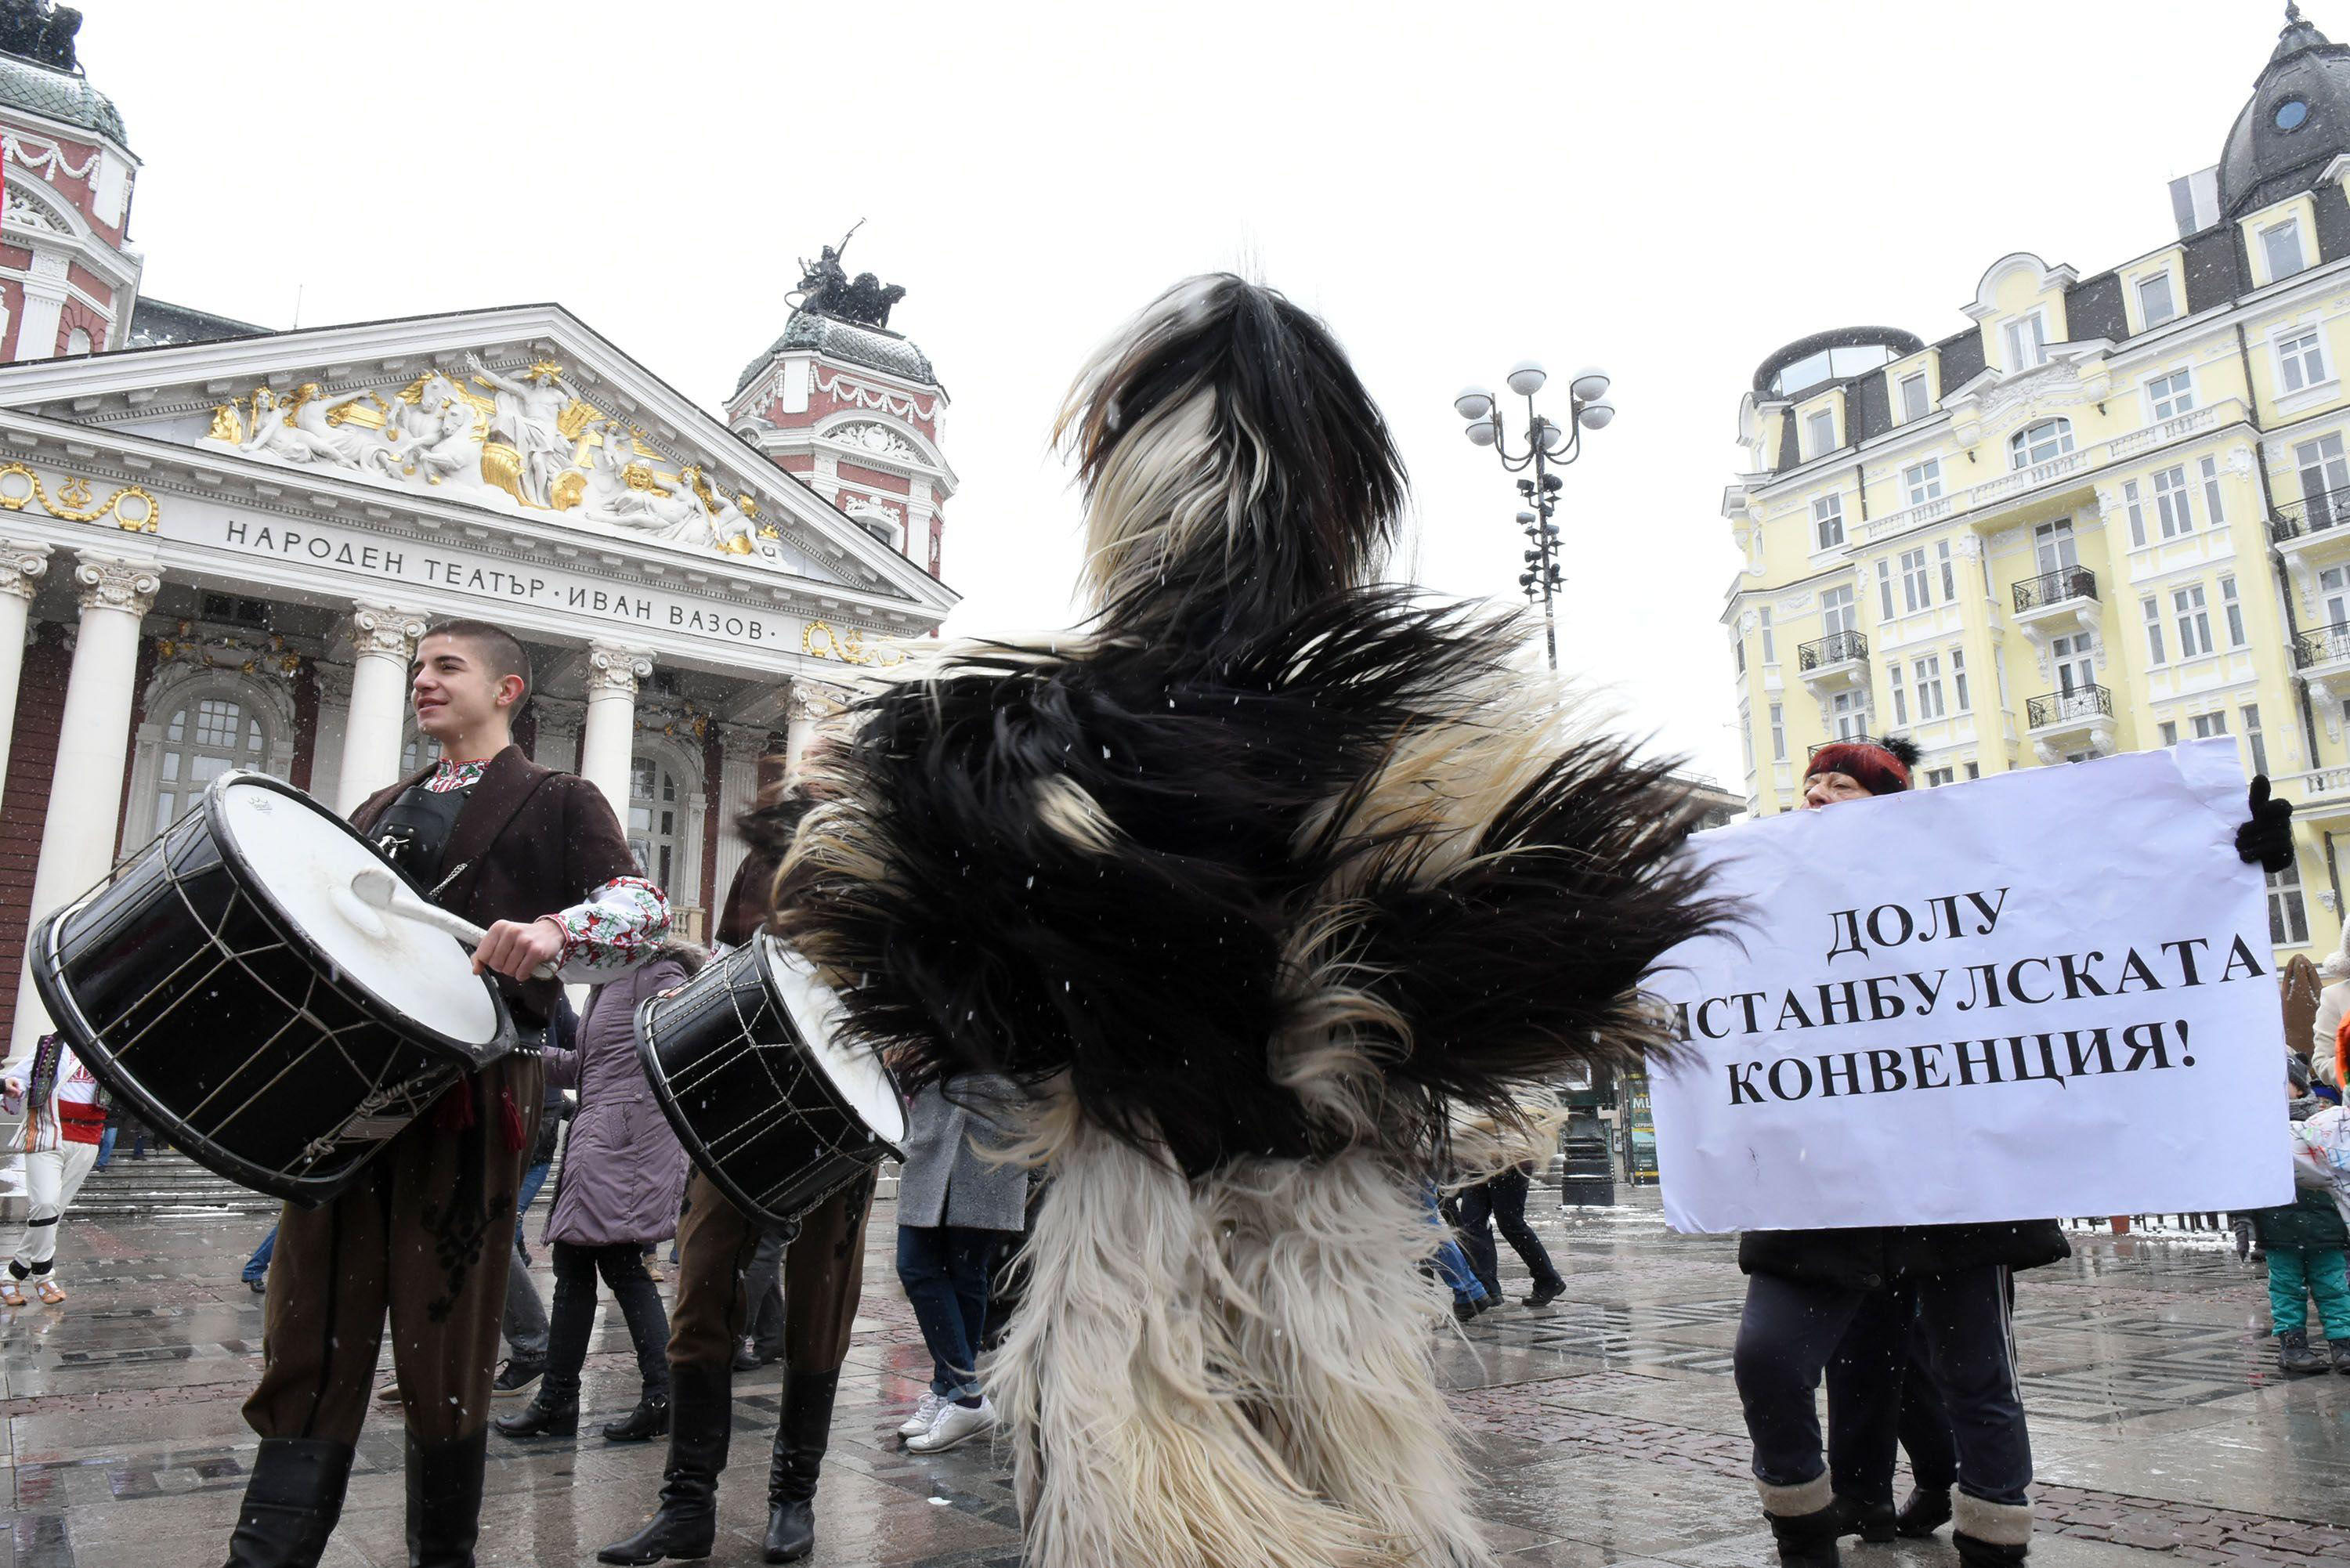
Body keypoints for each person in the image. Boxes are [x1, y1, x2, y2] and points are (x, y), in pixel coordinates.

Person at [759, 275, 1725, 1568]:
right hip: (1309, 1240)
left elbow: (926, 964)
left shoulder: (1055, 752)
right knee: (1326, 1491)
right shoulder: (1381, 744)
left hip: (1152, 1232)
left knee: (1177, 1502)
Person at [1735, 739, 2294, 1568]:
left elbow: (2090, 910)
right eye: (1807, 780)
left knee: (1973, 1374)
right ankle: (1807, 1533)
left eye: (1839, 782)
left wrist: (2220, 848)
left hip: (1961, 1173)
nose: (1814, 793)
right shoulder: (1764, 885)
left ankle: (1993, 1542)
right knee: (1768, 1358)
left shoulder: (1967, 878)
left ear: (1894, 804)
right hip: (1826, 1178)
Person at [219, 619, 669, 1568]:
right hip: (350, 1097)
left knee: (445, 1335)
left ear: (506, 689)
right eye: (417, 666)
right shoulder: (386, 801)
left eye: (445, 667)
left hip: (470, 1094)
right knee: (310, 1325)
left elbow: (643, 907)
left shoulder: (556, 798)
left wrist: (556, 927)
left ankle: (443, 1556)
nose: (422, 680)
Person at [597, 849, 878, 1568]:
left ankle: (794, 1497)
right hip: (740, 1100)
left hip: (843, 1107)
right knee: (700, 1296)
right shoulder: (771, 849)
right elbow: (732, 957)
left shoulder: (888, 854)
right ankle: (686, 1506)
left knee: (821, 1305)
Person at [496, 942, 697, 1444]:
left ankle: (648, 1397)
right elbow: (589, 1067)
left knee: (619, 1266)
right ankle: (569, 1399)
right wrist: (521, 1052)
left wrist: (630, 1119)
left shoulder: (656, 973)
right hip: (605, 1137)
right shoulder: (610, 982)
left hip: (629, 1143)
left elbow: (675, 1048)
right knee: (581, 1267)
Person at [893, 1078, 1027, 1453]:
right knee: (923, 1266)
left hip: (989, 1122)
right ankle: (951, 1392)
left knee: (960, 1271)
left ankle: (966, 1397)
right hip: (936, 1124)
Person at [2257, 1050, 2350, 1375]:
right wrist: (2244, 1217)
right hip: (2279, 1225)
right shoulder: (2258, 1128)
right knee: (2286, 1289)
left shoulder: (2326, 1121)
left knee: (2334, 1286)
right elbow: (2244, 1175)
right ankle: (2293, 1346)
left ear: (2299, 1086)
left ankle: (2343, 1343)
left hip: (2327, 1223)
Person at [0, 1031, 104, 1307]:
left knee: (51, 1214)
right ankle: (44, 1274)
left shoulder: (110, 1050)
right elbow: (18, 1079)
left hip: (88, 1139)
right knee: (45, 1204)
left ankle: (11, 1277)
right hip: (46, 1133)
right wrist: (10, 1085)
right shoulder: (51, 1045)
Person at [1456, 1162, 1565, 1309]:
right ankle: (1488, 1289)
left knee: (1510, 1223)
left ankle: (1548, 1279)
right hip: (1477, 1163)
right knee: (1473, 1223)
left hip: (1510, 1161)